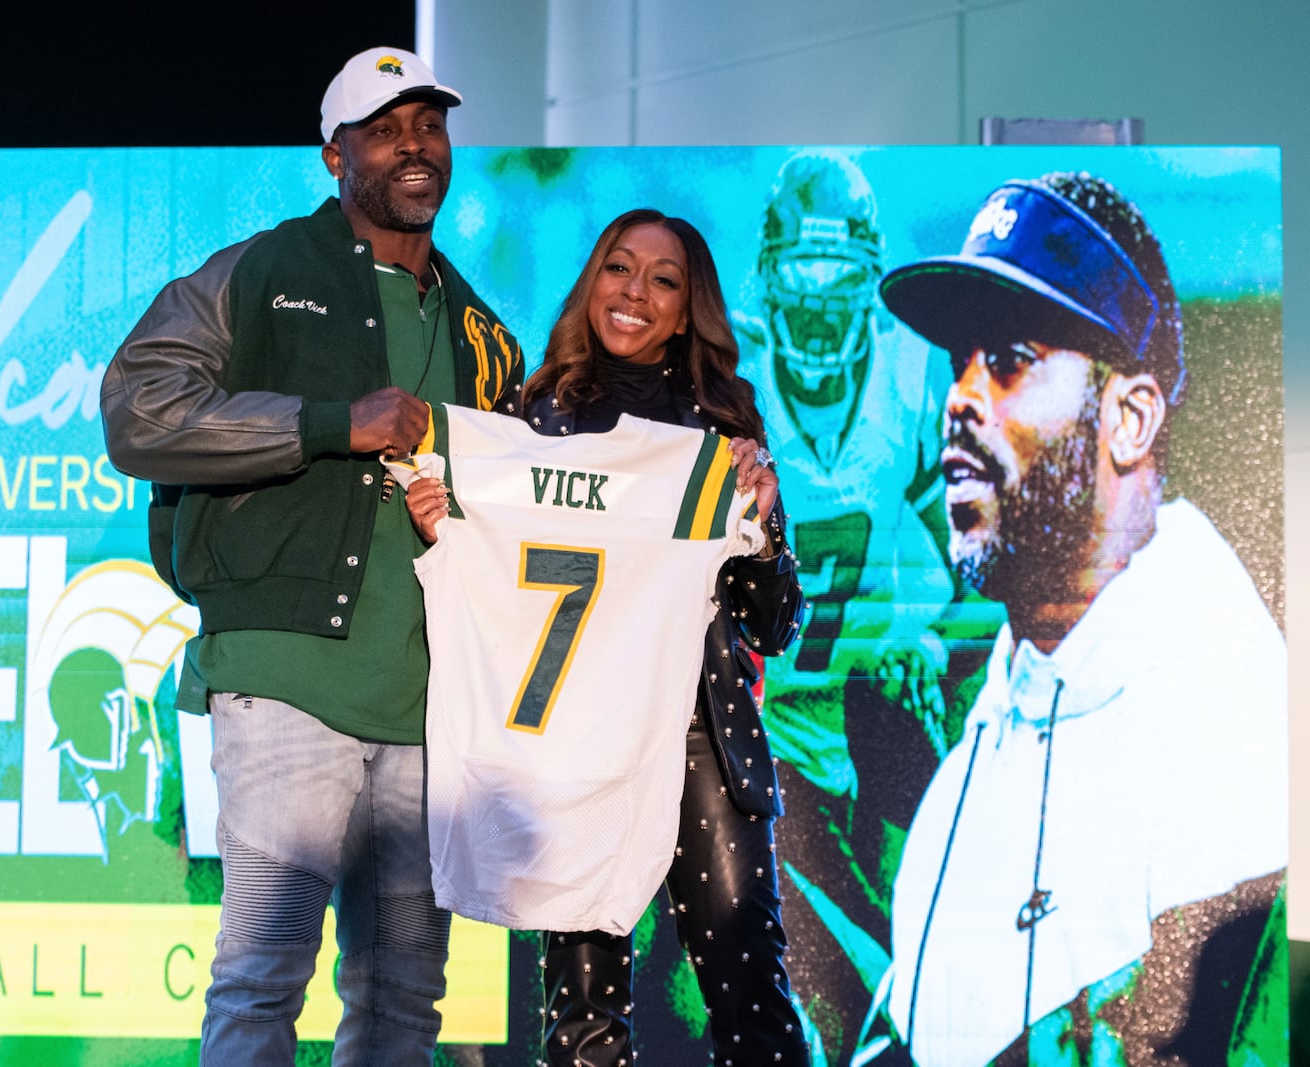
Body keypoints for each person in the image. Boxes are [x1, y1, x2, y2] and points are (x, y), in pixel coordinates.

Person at [99, 46, 523, 1065]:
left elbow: (527, 499)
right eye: (383, 129)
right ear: (333, 155)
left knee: (403, 1002)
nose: (413, 147)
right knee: (261, 978)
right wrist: (334, 420)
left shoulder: (482, 327)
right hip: (286, 681)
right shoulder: (258, 272)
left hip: (428, 706)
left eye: (428, 125)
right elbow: (137, 411)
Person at [868, 171, 1286, 1065]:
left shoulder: (1236, 715)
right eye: (958, 363)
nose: (960, 399)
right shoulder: (964, 781)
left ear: (1130, 419)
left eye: (1010, 359)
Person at [408, 208, 812, 1067]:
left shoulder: (722, 435)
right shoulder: (527, 421)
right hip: (573, 749)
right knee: (582, 1022)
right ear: (591, 279)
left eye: (663, 280)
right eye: (618, 268)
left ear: (688, 305)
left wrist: (769, 524)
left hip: (703, 737)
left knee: (752, 1001)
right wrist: (443, 518)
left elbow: (775, 625)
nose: (634, 292)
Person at [731, 152, 978, 1058]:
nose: (823, 297)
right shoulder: (729, 376)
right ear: (769, 276)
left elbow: (966, 556)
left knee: (924, 906)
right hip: (755, 711)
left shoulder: (917, 378)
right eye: (805, 268)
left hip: (866, 701)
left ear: (872, 277)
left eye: (842, 273)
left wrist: (916, 631)